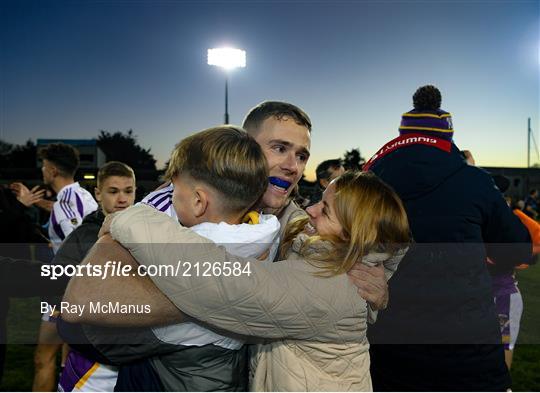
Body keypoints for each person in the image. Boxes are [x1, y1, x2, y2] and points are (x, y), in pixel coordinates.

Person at [64, 170, 409, 391]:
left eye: (327, 210)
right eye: (319, 201)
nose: (312, 211)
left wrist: (132, 218)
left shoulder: (324, 285)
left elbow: (219, 280)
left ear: (354, 235)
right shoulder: (347, 262)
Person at [362, 85, 533, 391]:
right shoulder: (474, 180)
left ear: (402, 135)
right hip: (467, 353)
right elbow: (518, 249)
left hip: (386, 348)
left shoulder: (368, 181)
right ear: (448, 136)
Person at [49, 161, 136, 392]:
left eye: (128, 191)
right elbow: (57, 283)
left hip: (133, 361)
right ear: (98, 193)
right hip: (92, 365)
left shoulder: (146, 232)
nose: (122, 199)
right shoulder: (85, 235)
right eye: (113, 191)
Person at [34, 143, 98, 392]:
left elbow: (82, 247)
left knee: (43, 359)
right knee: (68, 362)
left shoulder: (66, 203)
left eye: (43, 166)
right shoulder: (80, 196)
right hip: (81, 291)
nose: (42, 170)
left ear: (52, 171)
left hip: (67, 292)